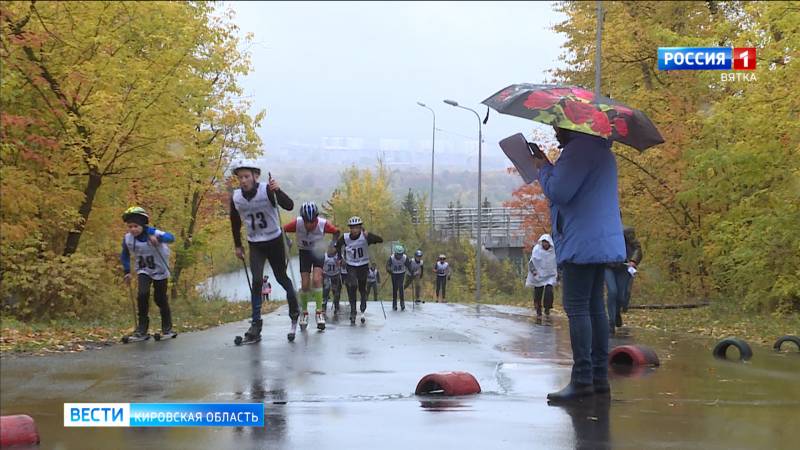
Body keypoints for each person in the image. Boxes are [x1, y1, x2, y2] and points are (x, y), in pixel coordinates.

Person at [534, 127, 626, 403]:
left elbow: (560, 192)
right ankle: (599, 379)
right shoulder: (601, 150)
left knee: (578, 308)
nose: (555, 132)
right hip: (600, 240)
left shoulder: (579, 150)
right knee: (595, 306)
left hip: (581, 240)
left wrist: (542, 168)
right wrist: (551, 165)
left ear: (571, 126)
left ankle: (582, 380)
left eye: (557, 127)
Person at [229, 160, 299, 343]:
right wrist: (238, 245)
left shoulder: (266, 190)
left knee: (281, 277)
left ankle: (294, 309)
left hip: (275, 240)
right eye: (240, 177)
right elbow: (235, 222)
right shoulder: (236, 197)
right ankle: (256, 324)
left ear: (255, 176)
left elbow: (289, 205)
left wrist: (278, 190)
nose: (243, 181)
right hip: (255, 243)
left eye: (246, 176)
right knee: (257, 280)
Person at [120, 206, 175, 340]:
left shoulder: (153, 232)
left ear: (142, 225)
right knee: (142, 295)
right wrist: (127, 271)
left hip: (160, 271)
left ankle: (167, 329)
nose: (133, 229)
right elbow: (125, 255)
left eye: (135, 226)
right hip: (144, 270)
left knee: (160, 298)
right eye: (130, 226)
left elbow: (171, 238)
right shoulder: (128, 238)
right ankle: (142, 330)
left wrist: (159, 239)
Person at [283, 201, 340, 331]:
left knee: (317, 279)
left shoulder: (322, 224)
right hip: (304, 252)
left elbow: (336, 232)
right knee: (305, 284)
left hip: (318, 252)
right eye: (306, 222)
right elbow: (282, 229)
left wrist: (333, 245)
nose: (309, 225)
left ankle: (319, 313)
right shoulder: (297, 223)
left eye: (312, 221)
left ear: (316, 218)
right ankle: (304, 312)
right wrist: (287, 241)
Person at [334, 216, 384, 325]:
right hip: (351, 265)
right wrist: (340, 258)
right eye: (352, 228)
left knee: (362, 287)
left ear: (360, 228)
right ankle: (353, 311)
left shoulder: (365, 237)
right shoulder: (345, 237)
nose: (354, 230)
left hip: (363, 265)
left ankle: (363, 301)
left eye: (357, 227)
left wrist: (368, 235)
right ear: (350, 229)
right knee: (352, 285)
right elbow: (337, 246)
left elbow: (380, 239)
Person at [605, 226, 643, 333]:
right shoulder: (604, 231)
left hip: (623, 267)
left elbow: (637, 248)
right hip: (608, 266)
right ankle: (611, 322)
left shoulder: (627, 232)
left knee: (621, 296)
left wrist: (633, 261)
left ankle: (617, 313)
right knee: (612, 292)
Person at [526, 234, 557, 317]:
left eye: (546, 242)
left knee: (549, 291)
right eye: (543, 242)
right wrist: (534, 271)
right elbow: (532, 261)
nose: (545, 244)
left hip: (550, 275)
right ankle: (538, 309)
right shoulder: (537, 250)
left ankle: (547, 308)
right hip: (538, 275)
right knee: (538, 293)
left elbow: (556, 262)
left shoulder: (553, 251)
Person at [386, 244, 413, 311]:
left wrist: (411, 272)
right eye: (398, 254)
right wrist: (389, 270)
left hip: (401, 273)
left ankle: (402, 303)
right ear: (395, 253)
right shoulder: (391, 258)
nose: (399, 256)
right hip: (394, 274)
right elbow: (387, 266)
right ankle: (394, 304)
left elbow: (408, 265)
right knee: (395, 288)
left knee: (401, 287)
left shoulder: (405, 257)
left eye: (401, 254)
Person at [322, 245, 343, 315]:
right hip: (326, 275)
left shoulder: (338, 256)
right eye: (331, 248)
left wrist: (340, 262)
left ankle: (336, 307)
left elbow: (344, 264)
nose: (332, 250)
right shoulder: (324, 257)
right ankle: (323, 307)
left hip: (336, 275)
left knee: (336, 292)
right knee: (326, 290)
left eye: (334, 248)